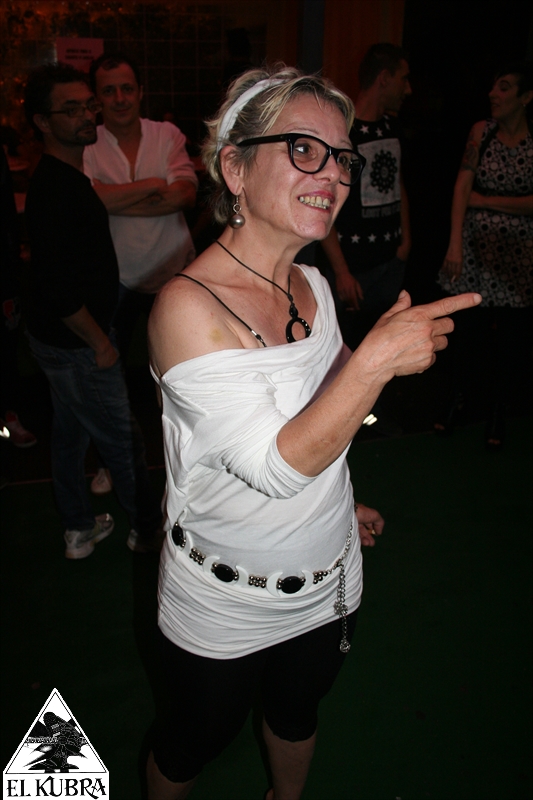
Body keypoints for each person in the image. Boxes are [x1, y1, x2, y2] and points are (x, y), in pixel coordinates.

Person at [144, 65, 481, 799]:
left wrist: (337, 503)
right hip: (224, 601)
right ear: (234, 168)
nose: (332, 173)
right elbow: (275, 467)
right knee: (190, 743)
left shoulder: (314, 283)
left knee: (297, 713)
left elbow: (322, 418)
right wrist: (376, 363)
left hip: (330, 579)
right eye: (303, 149)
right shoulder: (186, 307)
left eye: (341, 158)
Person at [23, 62, 162, 558]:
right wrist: (100, 343)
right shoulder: (54, 189)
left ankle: (79, 530)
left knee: (70, 435)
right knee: (123, 441)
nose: (87, 116)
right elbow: (58, 291)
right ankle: (148, 531)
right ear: (42, 122)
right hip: (78, 345)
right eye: (72, 109)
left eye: (88, 106)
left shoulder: (67, 179)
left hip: (61, 343)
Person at [438, 62, 533, 447]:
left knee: (510, 340)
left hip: (519, 258)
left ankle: (498, 411)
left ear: (526, 97)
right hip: (475, 251)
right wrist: (455, 243)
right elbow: (462, 188)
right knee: (466, 333)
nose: (494, 94)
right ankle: (459, 401)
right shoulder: (482, 131)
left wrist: (486, 200)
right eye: (494, 86)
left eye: (505, 87)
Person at [84, 52, 198, 359]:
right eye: (109, 91)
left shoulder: (167, 134)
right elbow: (87, 203)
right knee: (114, 362)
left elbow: (185, 196)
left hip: (173, 272)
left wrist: (107, 200)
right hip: (115, 277)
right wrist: (152, 184)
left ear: (140, 92)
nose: (120, 99)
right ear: (97, 99)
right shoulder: (87, 143)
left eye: (127, 89)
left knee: (177, 363)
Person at [320, 43, 412, 350]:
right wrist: (342, 271)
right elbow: (324, 199)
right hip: (353, 269)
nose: (408, 89)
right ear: (384, 78)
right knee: (345, 353)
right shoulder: (344, 133)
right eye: (403, 78)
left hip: (391, 261)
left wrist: (405, 242)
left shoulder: (392, 126)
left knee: (384, 349)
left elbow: (397, 183)